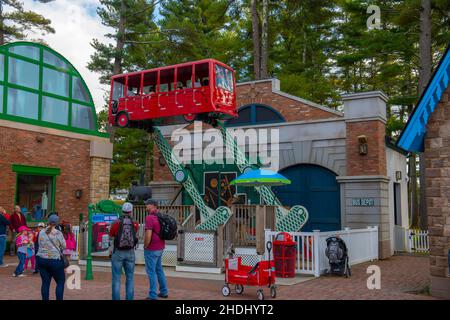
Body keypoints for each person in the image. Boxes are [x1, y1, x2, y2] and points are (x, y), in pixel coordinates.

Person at [109, 202, 139, 300]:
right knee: (130, 278)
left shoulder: (115, 223)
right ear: (131, 211)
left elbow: (111, 236)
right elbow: (136, 236)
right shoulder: (135, 223)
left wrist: (110, 251)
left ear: (122, 210)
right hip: (130, 252)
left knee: (116, 278)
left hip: (118, 252)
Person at [36, 214, 66, 300]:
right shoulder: (58, 233)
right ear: (56, 223)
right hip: (54, 260)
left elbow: (39, 243)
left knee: (45, 283)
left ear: (48, 221)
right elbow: (64, 246)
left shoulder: (41, 232)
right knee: (60, 282)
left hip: (41, 259)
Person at [143, 199, 168, 300]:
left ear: (152, 205)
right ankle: (164, 291)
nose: (146, 206)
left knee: (151, 271)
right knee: (159, 270)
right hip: (160, 247)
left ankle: (152, 295)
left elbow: (148, 234)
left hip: (152, 248)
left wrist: (145, 245)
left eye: (147, 204)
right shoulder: (160, 215)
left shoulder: (149, 217)